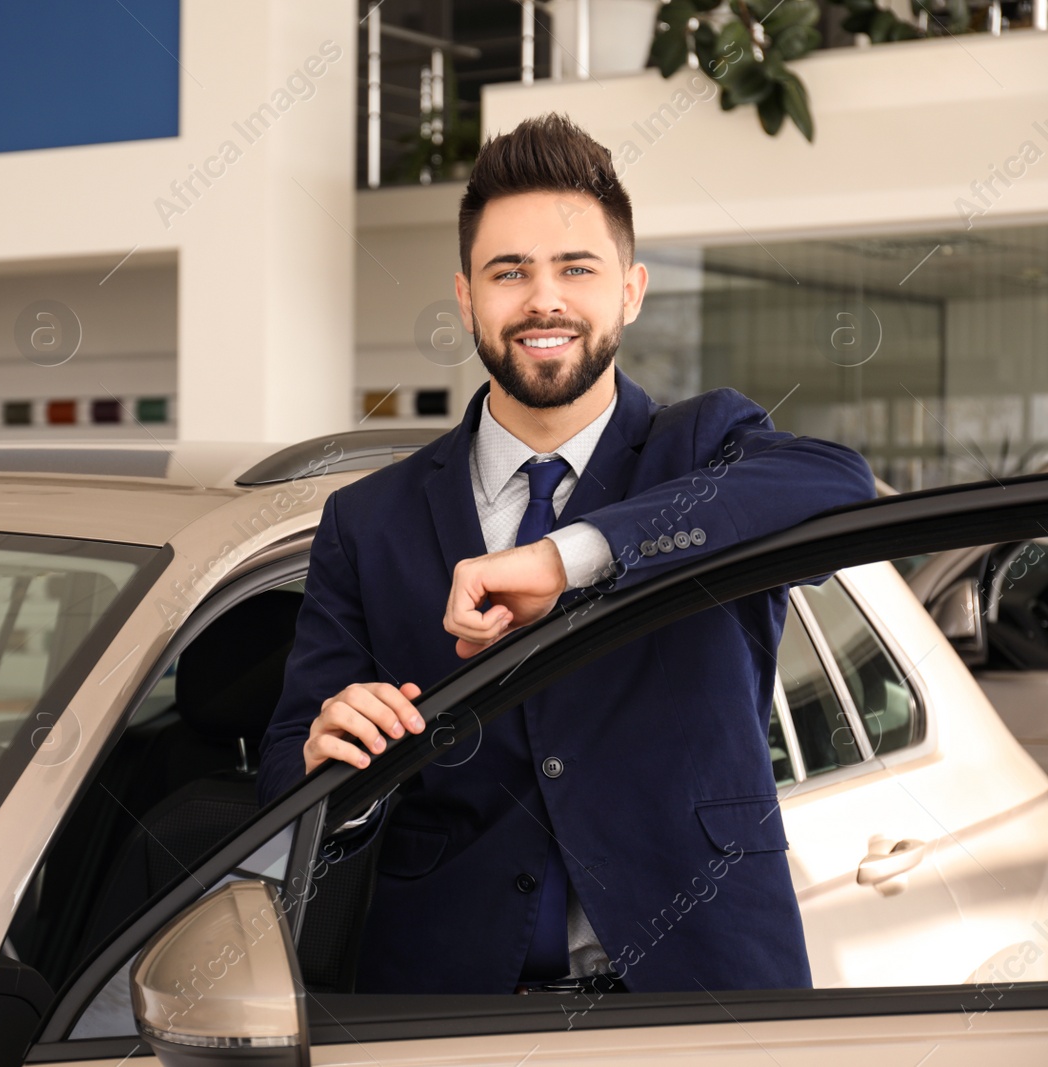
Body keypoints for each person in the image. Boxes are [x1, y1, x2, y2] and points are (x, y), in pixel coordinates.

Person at [256, 112, 876, 996]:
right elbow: (285, 770)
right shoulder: (368, 520)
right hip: (445, 1012)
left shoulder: (703, 447)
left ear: (629, 289)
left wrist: (569, 557)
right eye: (509, 273)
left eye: (575, 269)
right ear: (467, 298)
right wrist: (327, 760)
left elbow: (840, 487)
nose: (543, 300)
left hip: (701, 995)